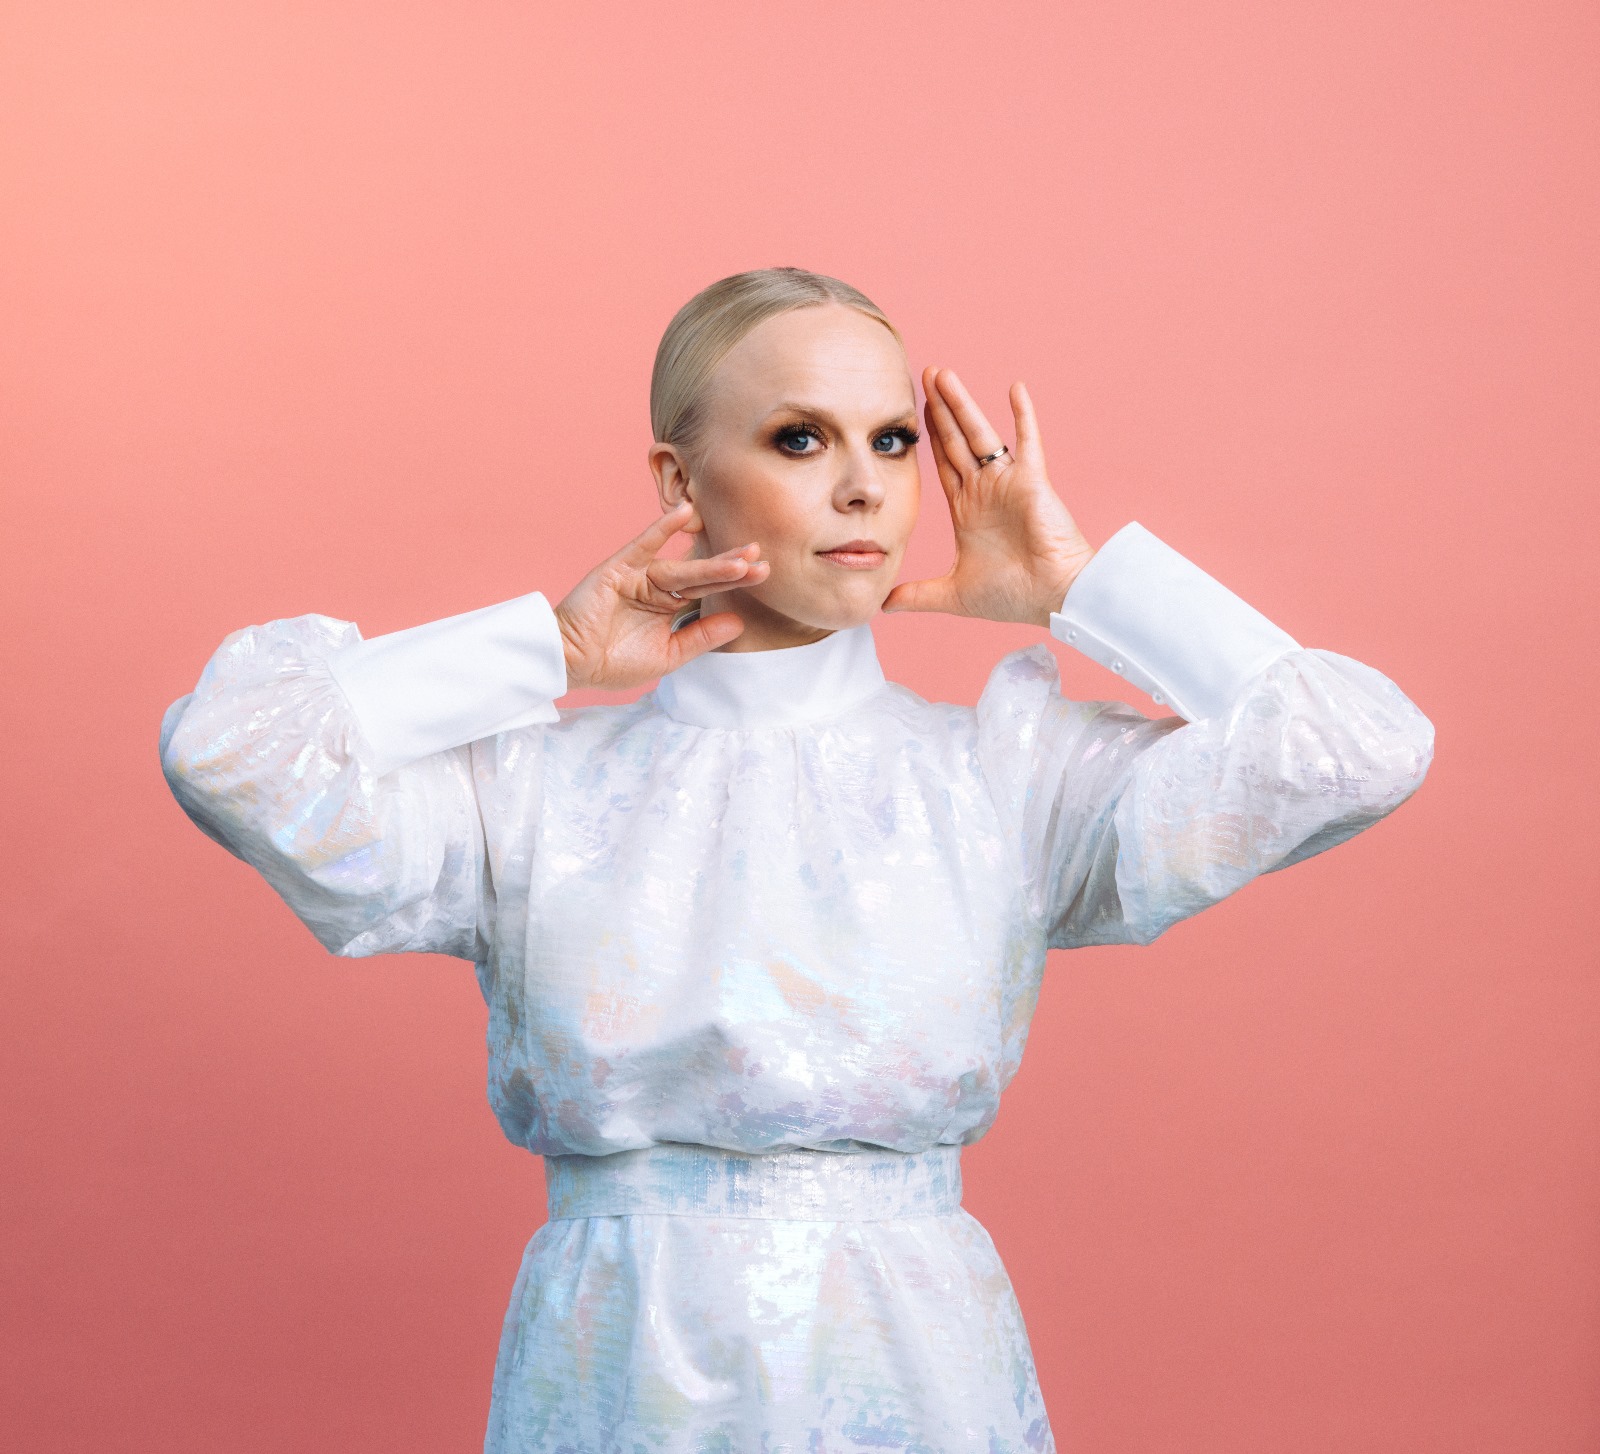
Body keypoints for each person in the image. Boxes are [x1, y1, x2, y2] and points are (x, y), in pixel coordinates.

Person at [159, 266, 1434, 1452]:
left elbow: (1358, 746)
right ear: (679, 476)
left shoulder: (1000, 773)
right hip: (618, 1369)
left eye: (892, 439)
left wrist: (1083, 586)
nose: (866, 484)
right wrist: (547, 650)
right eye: (799, 438)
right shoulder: (533, 788)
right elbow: (231, 750)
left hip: (913, 1361)